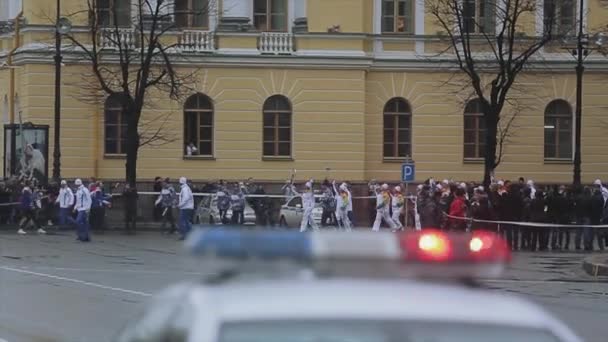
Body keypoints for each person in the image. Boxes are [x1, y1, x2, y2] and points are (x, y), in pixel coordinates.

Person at [574, 187, 593, 251]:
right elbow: (591, 208)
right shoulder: (590, 198)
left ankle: (577, 245)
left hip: (579, 216)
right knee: (586, 232)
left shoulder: (578, 198)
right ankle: (586, 245)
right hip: (587, 216)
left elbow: (575, 206)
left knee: (578, 232)